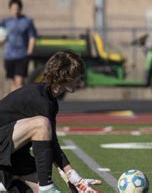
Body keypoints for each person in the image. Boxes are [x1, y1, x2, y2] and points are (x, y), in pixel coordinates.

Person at [0, 51, 102, 193]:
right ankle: (45, 186)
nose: (80, 81)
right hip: (4, 148)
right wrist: (73, 176)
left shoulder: (49, 100)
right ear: (65, 75)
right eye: (77, 76)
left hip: (13, 156)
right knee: (41, 124)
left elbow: (50, 144)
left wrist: (74, 179)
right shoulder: (40, 99)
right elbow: (50, 141)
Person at [0, 0, 38, 92]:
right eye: (13, 8)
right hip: (9, 55)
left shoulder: (27, 21)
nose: (15, 10)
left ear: (21, 8)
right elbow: (2, 36)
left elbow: (32, 36)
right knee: (13, 81)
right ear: (10, 9)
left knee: (19, 81)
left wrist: (30, 50)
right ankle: (16, 103)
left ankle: (21, 103)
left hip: (22, 54)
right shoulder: (5, 22)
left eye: (17, 8)